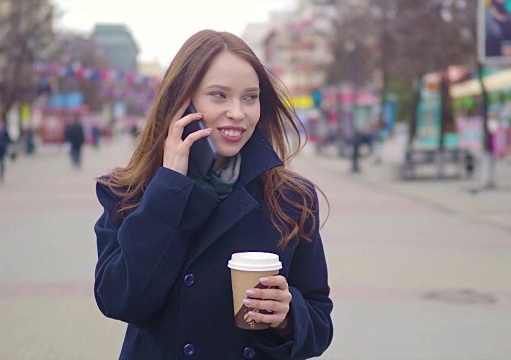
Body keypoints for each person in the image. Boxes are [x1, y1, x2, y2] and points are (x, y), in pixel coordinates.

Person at [93, 30, 333, 359]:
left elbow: (320, 324)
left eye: (250, 97)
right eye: (219, 95)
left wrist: (288, 316)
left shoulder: (292, 198)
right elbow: (120, 300)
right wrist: (169, 187)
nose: (238, 112)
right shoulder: (127, 191)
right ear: (181, 102)